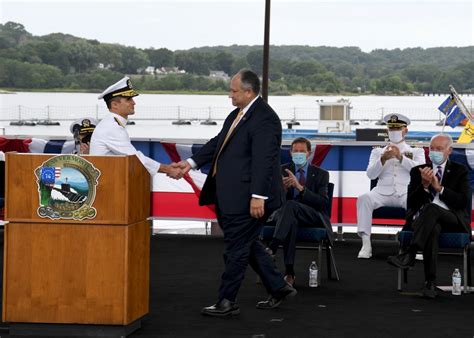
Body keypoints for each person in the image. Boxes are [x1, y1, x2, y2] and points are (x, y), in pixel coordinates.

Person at [174, 69, 295, 317]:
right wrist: (191, 163)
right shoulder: (236, 114)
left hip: (250, 198)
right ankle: (279, 287)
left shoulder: (265, 119)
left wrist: (258, 196)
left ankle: (227, 301)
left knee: (236, 248)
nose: (230, 95)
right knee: (246, 244)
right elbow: (219, 142)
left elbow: (264, 160)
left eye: (234, 91)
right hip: (231, 196)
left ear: (249, 92)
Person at [387, 133, 470, 298]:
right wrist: (424, 186)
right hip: (425, 221)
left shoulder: (460, 171)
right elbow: (411, 203)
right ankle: (430, 284)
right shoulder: (417, 171)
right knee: (433, 228)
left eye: (439, 149)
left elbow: (463, 201)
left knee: (432, 209)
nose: (434, 152)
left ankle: (411, 253)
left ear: (449, 151)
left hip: (452, 218)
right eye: (432, 148)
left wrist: (440, 189)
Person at [265, 137, 332, 286]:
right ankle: (289, 273)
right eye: (295, 151)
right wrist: (281, 190)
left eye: (302, 151)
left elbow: (323, 203)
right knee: (291, 215)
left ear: (308, 154)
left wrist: (299, 187)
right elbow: (269, 201)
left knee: (291, 206)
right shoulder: (280, 171)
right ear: (290, 153)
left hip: (310, 215)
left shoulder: (321, 174)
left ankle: (273, 247)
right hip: (284, 215)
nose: (298, 154)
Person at [356, 113, 425, 259]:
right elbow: (371, 175)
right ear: (387, 131)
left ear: (405, 130)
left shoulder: (416, 151)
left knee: (420, 201)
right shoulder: (377, 151)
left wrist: (401, 157)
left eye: (398, 129)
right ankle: (366, 244)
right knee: (364, 198)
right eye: (391, 129)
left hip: (406, 192)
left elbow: (419, 173)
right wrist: (382, 159)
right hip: (382, 192)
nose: (394, 132)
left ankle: (417, 245)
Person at [90, 76, 181, 178]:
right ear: (115, 104)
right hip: (108, 185)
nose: (134, 102)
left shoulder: (111, 123)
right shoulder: (111, 127)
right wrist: (168, 169)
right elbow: (135, 158)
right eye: (128, 99)